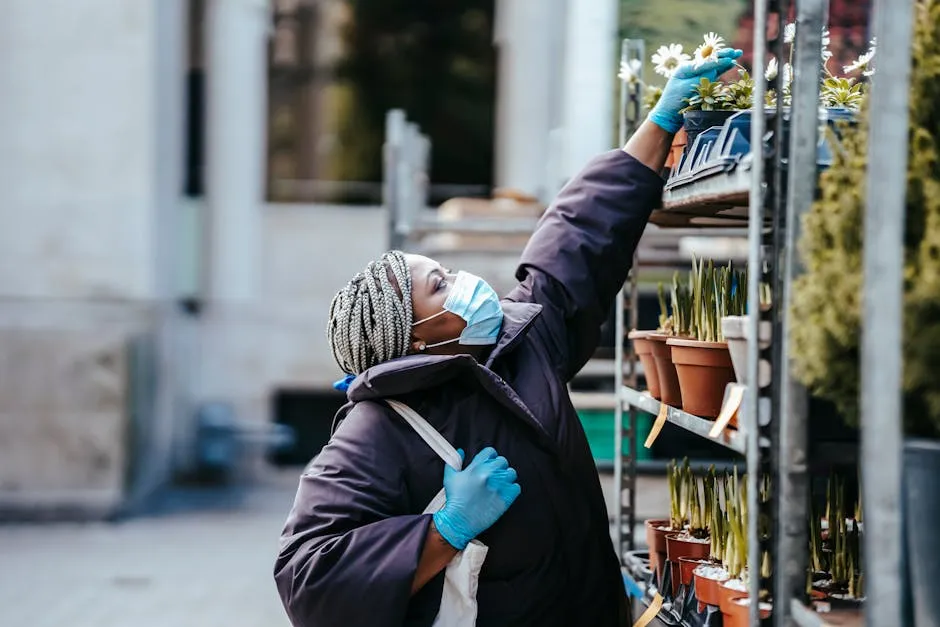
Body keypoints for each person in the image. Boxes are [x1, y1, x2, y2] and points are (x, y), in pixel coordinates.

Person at [274, 48, 742, 627]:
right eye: (440, 285)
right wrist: (443, 531)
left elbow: (573, 243)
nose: (466, 283)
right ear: (415, 338)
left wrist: (659, 124)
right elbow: (307, 576)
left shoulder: (518, 352)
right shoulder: (378, 430)